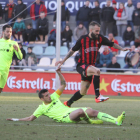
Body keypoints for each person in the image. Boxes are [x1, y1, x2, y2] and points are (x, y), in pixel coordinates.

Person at [6, 68, 125, 126]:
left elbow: (63, 84)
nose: (49, 96)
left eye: (49, 94)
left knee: (91, 110)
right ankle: (89, 121)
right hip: (66, 118)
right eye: (47, 96)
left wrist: (59, 73)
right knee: (80, 111)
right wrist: (15, 119)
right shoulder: (41, 108)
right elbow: (30, 119)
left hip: (70, 111)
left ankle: (116, 120)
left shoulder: (54, 96)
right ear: (42, 99)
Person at [55, 21, 130, 106]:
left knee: (83, 92)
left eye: (99, 31)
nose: (98, 33)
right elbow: (72, 50)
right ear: (91, 30)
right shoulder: (83, 39)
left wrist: (122, 49)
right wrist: (63, 61)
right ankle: (98, 96)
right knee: (97, 71)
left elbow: (112, 44)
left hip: (90, 67)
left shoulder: (100, 38)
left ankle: (68, 103)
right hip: (82, 65)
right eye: (96, 31)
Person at [0, 25, 23, 93]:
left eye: (10, 32)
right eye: (7, 31)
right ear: (3, 32)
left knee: (0, 89)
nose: (9, 33)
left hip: (5, 70)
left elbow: (20, 57)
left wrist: (18, 50)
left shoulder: (14, 43)